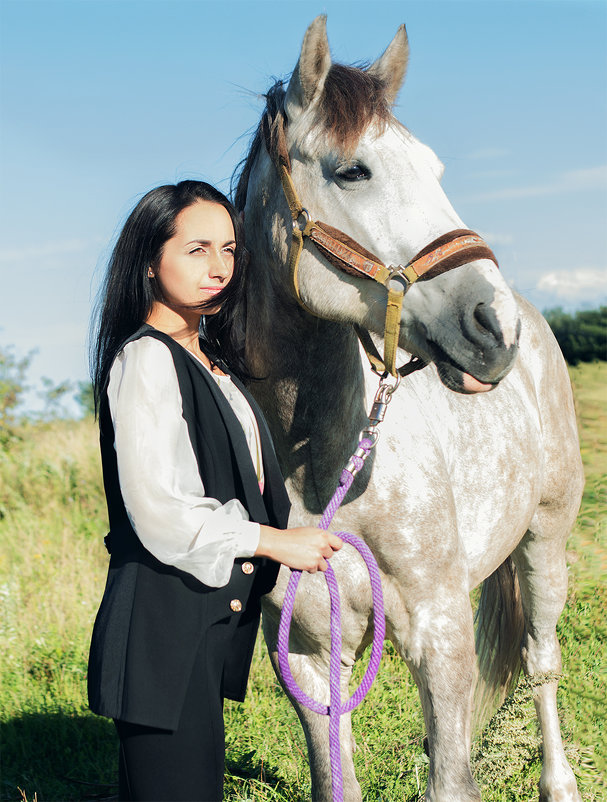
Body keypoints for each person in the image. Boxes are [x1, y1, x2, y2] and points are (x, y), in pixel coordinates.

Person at [87, 180, 342, 802]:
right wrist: (273, 542)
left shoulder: (214, 364)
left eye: (229, 250)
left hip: (195, 627)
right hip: (160, 628)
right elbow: (160, 509)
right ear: (151, 260)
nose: (219, 268)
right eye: (197, 249)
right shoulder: (146, 360)